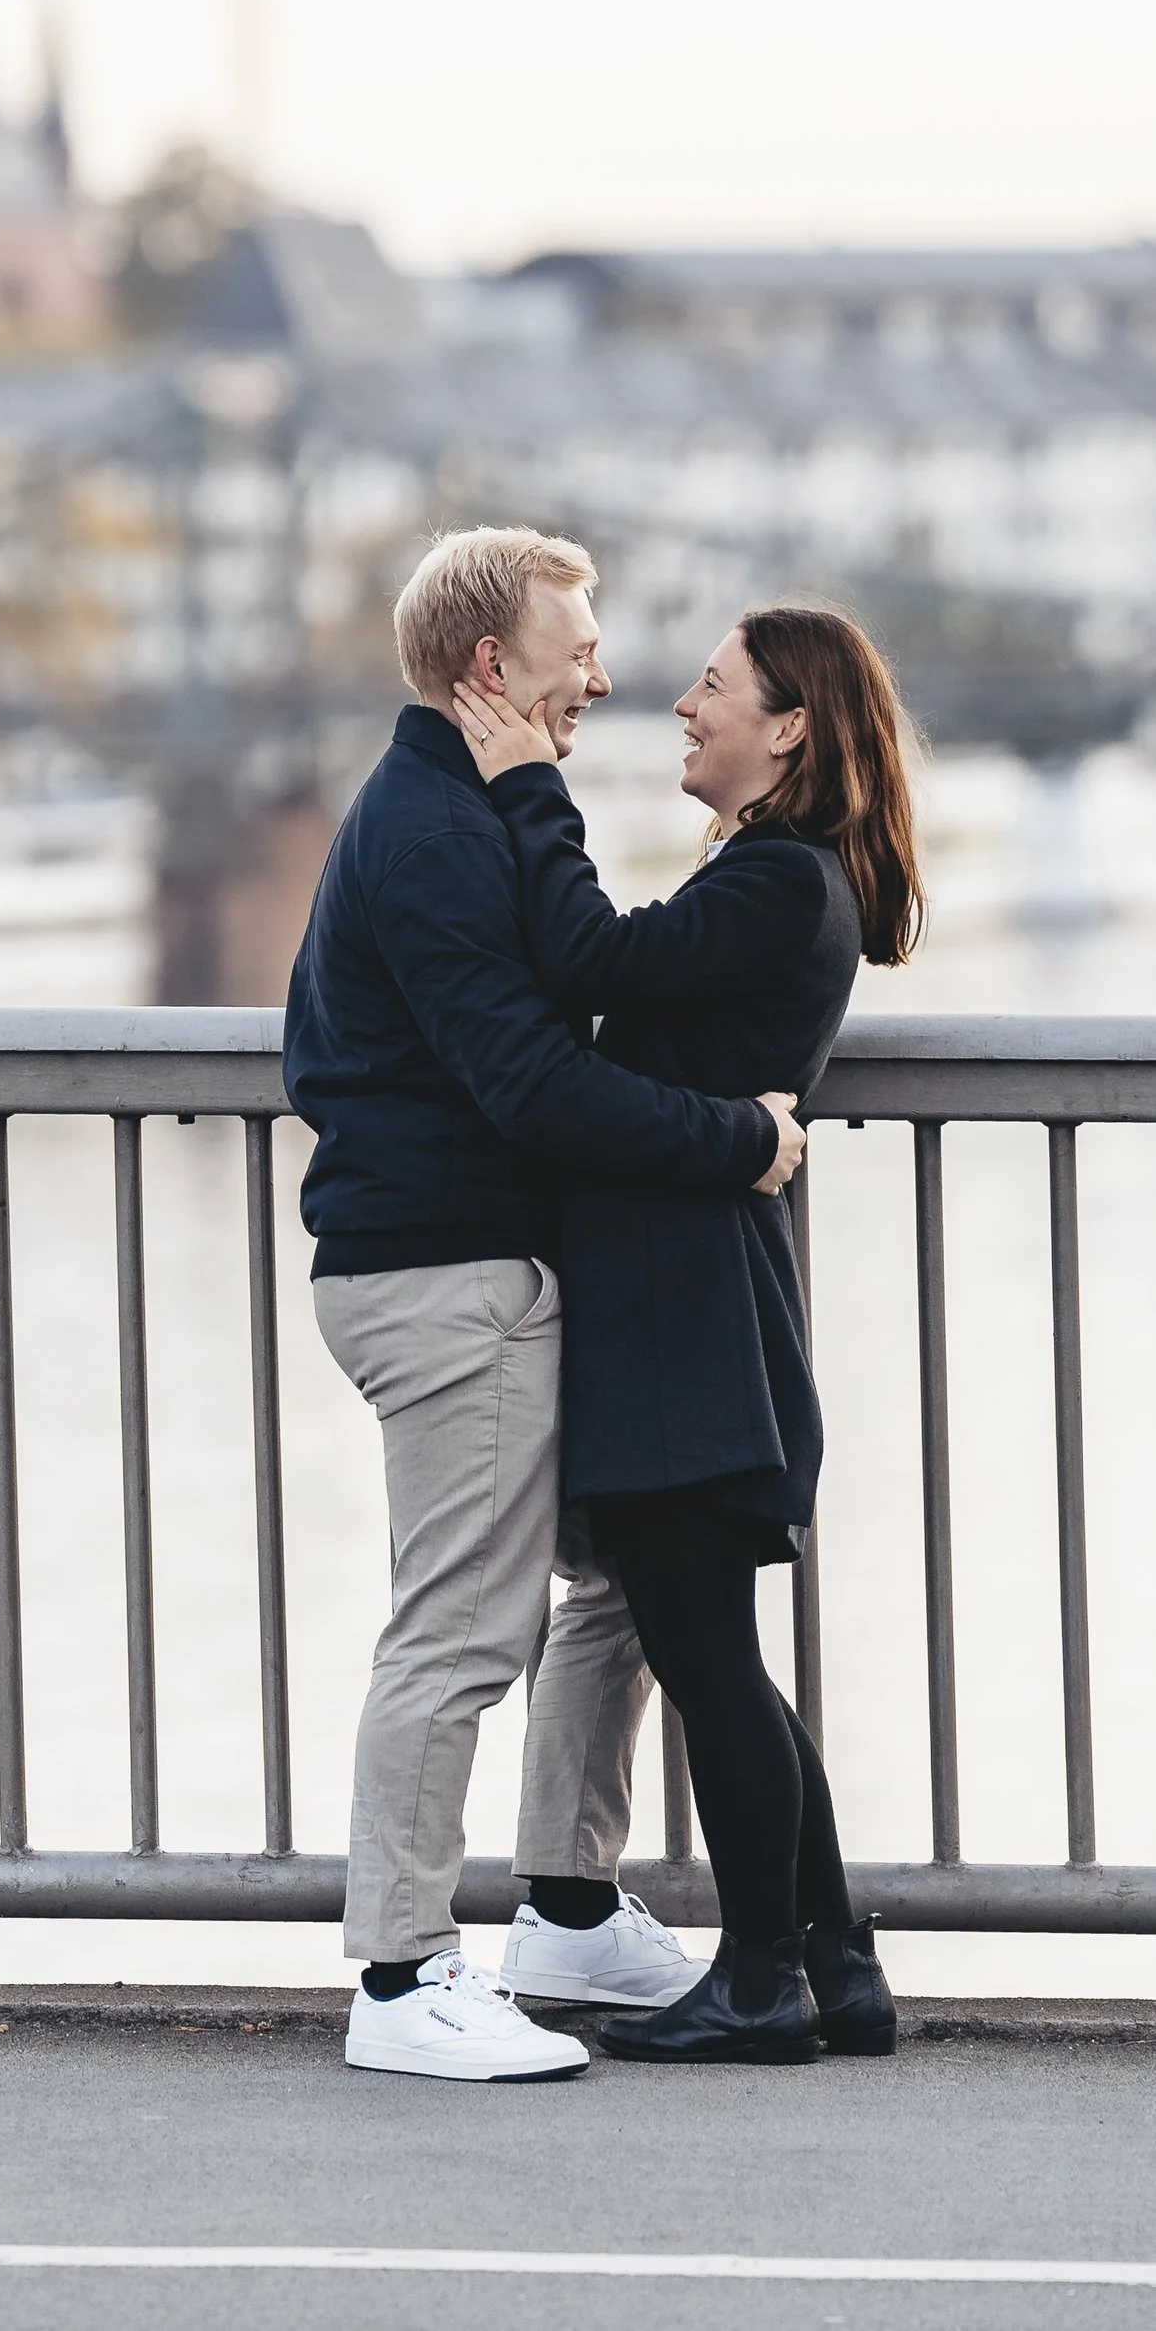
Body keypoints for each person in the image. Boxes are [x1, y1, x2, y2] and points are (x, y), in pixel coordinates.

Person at [287, 528, 806, 2083]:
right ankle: (400, 1975)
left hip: (485, 1266)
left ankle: (570, 1906)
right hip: (444, 1276)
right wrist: (742, 1138)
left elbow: (575, 986)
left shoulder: (466, 810)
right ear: (488, 668)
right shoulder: (436, 833)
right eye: (575, 645)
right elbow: (528, 1073)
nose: (604, 672)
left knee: (616, 1583)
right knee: (460, 1626)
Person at [451, 600, 923, 2066]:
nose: (681, 704)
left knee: (708, 1655)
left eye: (713, 686)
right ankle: (833, 1964)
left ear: (789, 725)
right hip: (703, 1295)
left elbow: (591, 957)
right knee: (720, 1655)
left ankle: (761, 1980)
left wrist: (527, 779)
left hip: (681, 1309)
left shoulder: (779, 879)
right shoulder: (779, 874)